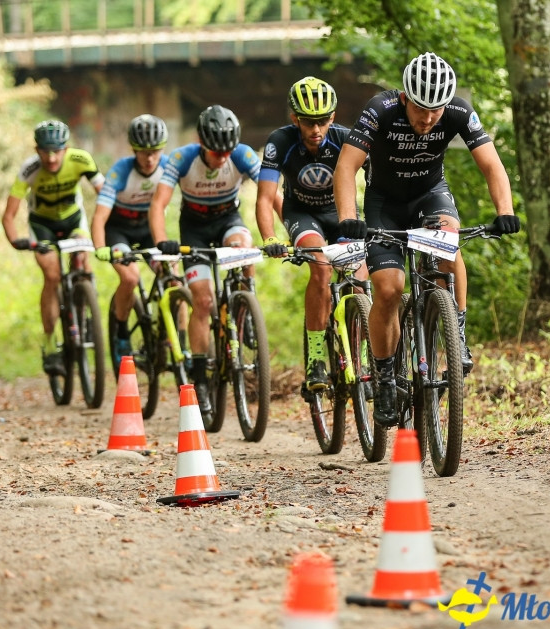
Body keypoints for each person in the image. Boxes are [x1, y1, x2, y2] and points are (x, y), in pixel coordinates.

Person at [333, 51, 521, 427]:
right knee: (388, 288)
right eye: (421, 109)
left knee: (449, 246)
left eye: (437, 110)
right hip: (384, 203)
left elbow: (491, 163)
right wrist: (348, 219)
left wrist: (505, 211)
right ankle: (386, 376)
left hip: (430, 195)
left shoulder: (459, 112)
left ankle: (456, 330)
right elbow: (346, 166)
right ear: (405, 97)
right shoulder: (380, 109)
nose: (429, 118)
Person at [149, 104, 282, 415]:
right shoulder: (182, 159)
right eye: (215, 152)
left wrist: (288, 230)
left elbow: (273, 194)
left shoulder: (242, 154)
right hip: (193, 228)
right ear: (201, 142)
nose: (222, 157)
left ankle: (244, 304)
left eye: (227, 151)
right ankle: (199, 378)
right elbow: (158, 204)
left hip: (227, 220)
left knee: (243, 245)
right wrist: (160, 242)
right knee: (204, 301)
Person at [256, 76, 367, 392]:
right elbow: (265, 198)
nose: (316, 129)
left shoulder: (346, 138)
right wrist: (270, 238)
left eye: (322, 121)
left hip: (341, 214)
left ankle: (362, 356)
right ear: (295, 119)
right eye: (308, 122)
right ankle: (317, 357)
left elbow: (377, 181)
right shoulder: (279, 141)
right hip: (302, 215)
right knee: (320, 268)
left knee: (360, 280)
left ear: (332, 117)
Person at [2, 119, 106, 376]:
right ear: (37, 150)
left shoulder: (81, 160)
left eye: (57, 151)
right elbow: (9, 215)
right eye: (45, 151)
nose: (51, 158)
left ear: (66, 148)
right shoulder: (29, 170)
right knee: (52, 275)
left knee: (81, 257)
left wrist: (105, 226)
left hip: (73, 220)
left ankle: (85, 306)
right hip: (43, 225)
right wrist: (17, 241)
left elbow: (105, 193)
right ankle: (50, 344)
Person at [91, 114, 170, 370]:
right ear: (134, 150)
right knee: (130, 278)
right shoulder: (120, 171)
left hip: (148, 230)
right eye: (143, 152)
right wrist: (101, 248)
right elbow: (100, 216)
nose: (150, 159)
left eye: (155, 152)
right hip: (119, 232)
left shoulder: (169, 167)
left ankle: (172, 337)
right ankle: (121, 332)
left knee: (172, 276)